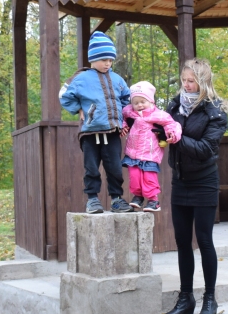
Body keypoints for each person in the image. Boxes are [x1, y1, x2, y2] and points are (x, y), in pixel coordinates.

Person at [163, 59, 228, 314]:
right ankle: (186, 297)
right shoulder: (173, 106)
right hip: (180, 181)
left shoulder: (216, 112)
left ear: (203, 83)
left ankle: (210, 298)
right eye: (184, 80)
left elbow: (205, 149)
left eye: (191, 81)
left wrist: (177, 137)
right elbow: (159, 127)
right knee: (182, 242)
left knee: (204, 241)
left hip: (204, 182)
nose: (186, 85)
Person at [59, 32, 133, 215]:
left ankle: (117, 199)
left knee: (115, 168)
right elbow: (64, 96)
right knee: (91, 168)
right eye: (103, 59)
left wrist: (122, 119)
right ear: (93, 59)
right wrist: (78, 109)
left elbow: (127, 99)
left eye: (110, 59)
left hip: (112, 133)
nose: (107, 63)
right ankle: (92, 200)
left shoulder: (117, 79)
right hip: (90, 133)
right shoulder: (81, 78)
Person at [121, 81, 182, 213]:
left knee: (149, 178)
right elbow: (121, 118)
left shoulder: (157, 114)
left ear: (151, 101)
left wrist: (172, 134)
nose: (139, 105)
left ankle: (153, 200)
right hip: (133, 153)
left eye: (143, 101)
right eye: (136, 102)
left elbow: (172, 124)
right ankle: (138, 197)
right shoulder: (128, 112)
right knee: (134, 177)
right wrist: (123, 125)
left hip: (150, 153)